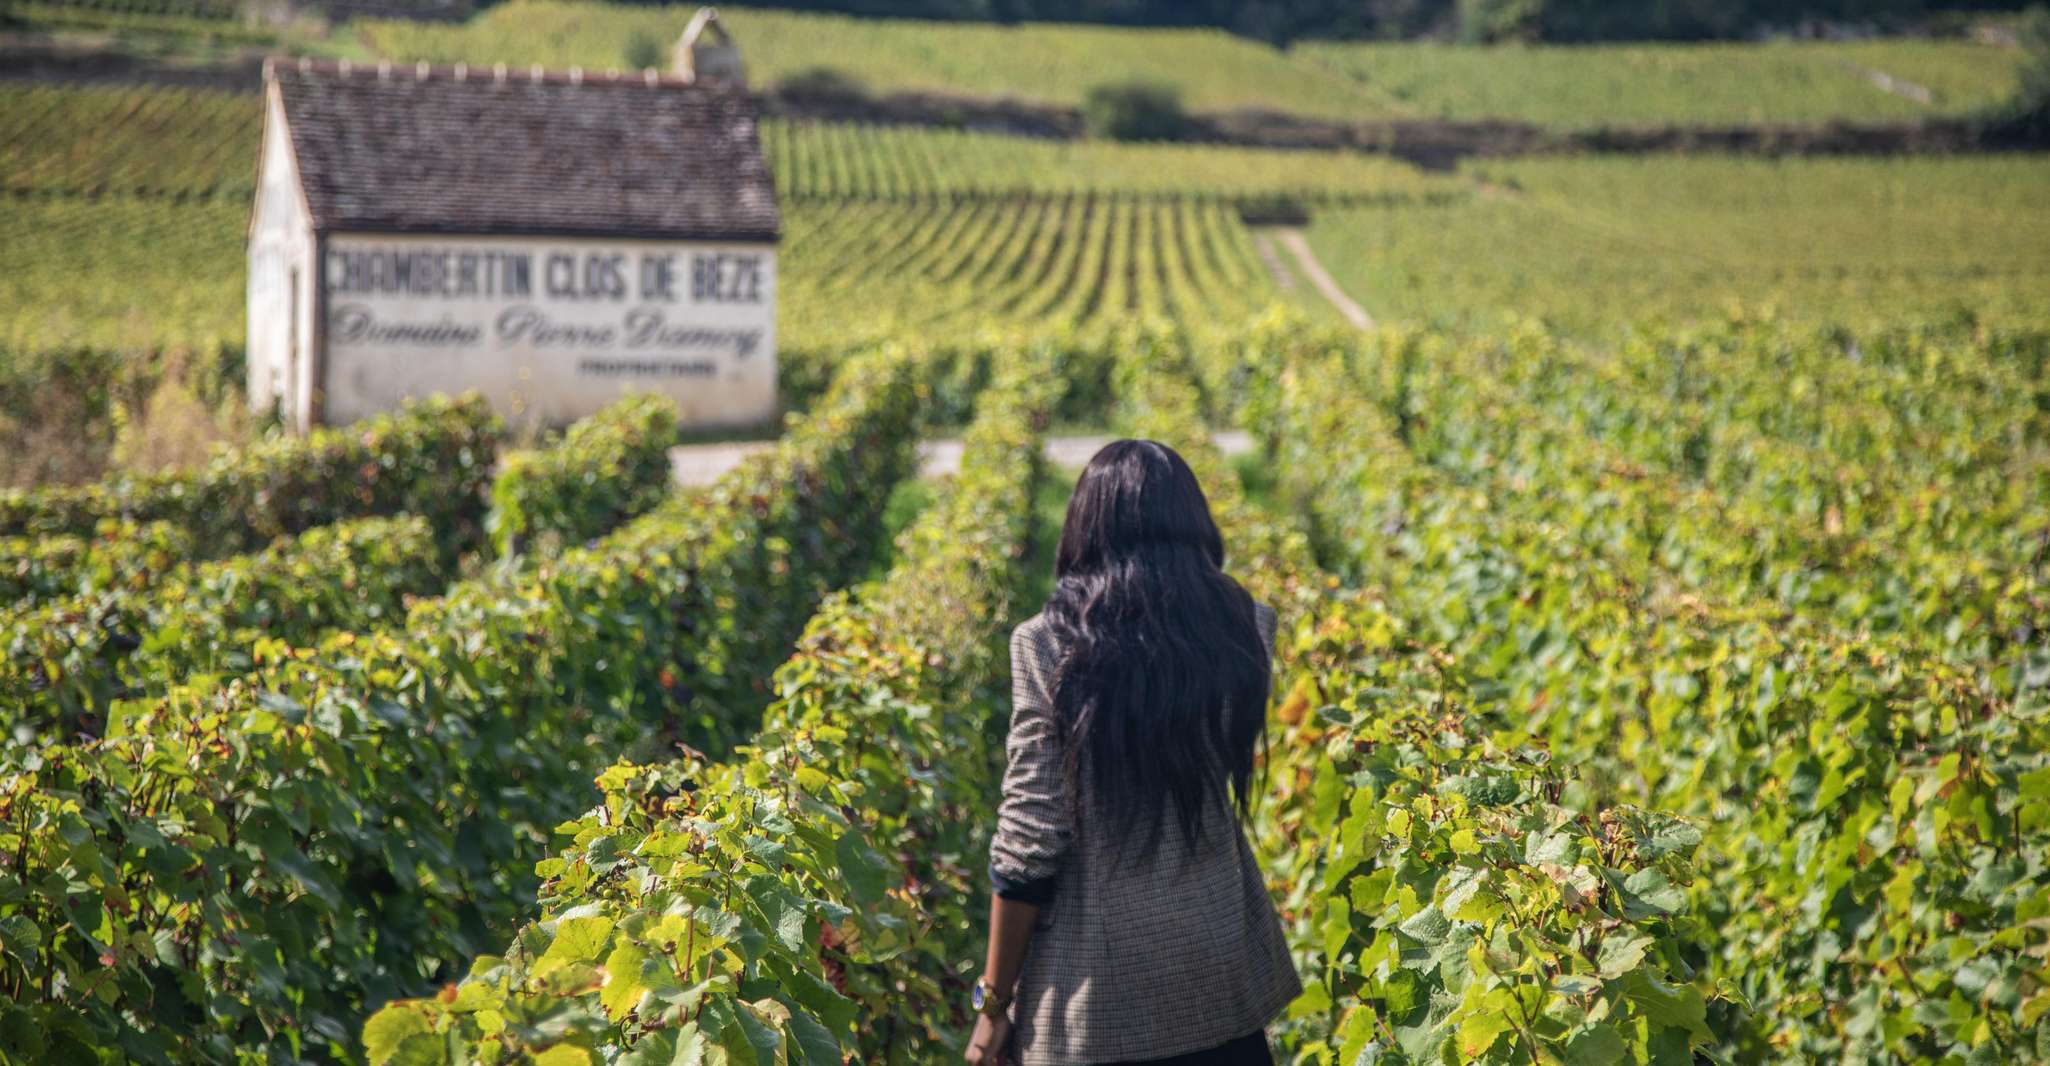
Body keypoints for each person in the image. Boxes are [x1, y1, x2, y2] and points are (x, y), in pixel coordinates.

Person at [966, 439, 1300, 1066]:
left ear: (1085, 529)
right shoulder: (1245, 627)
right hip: (1217, 974)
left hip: (1095, 996)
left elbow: (1029, 841)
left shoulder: (1046, 647)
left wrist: (994, 1004)